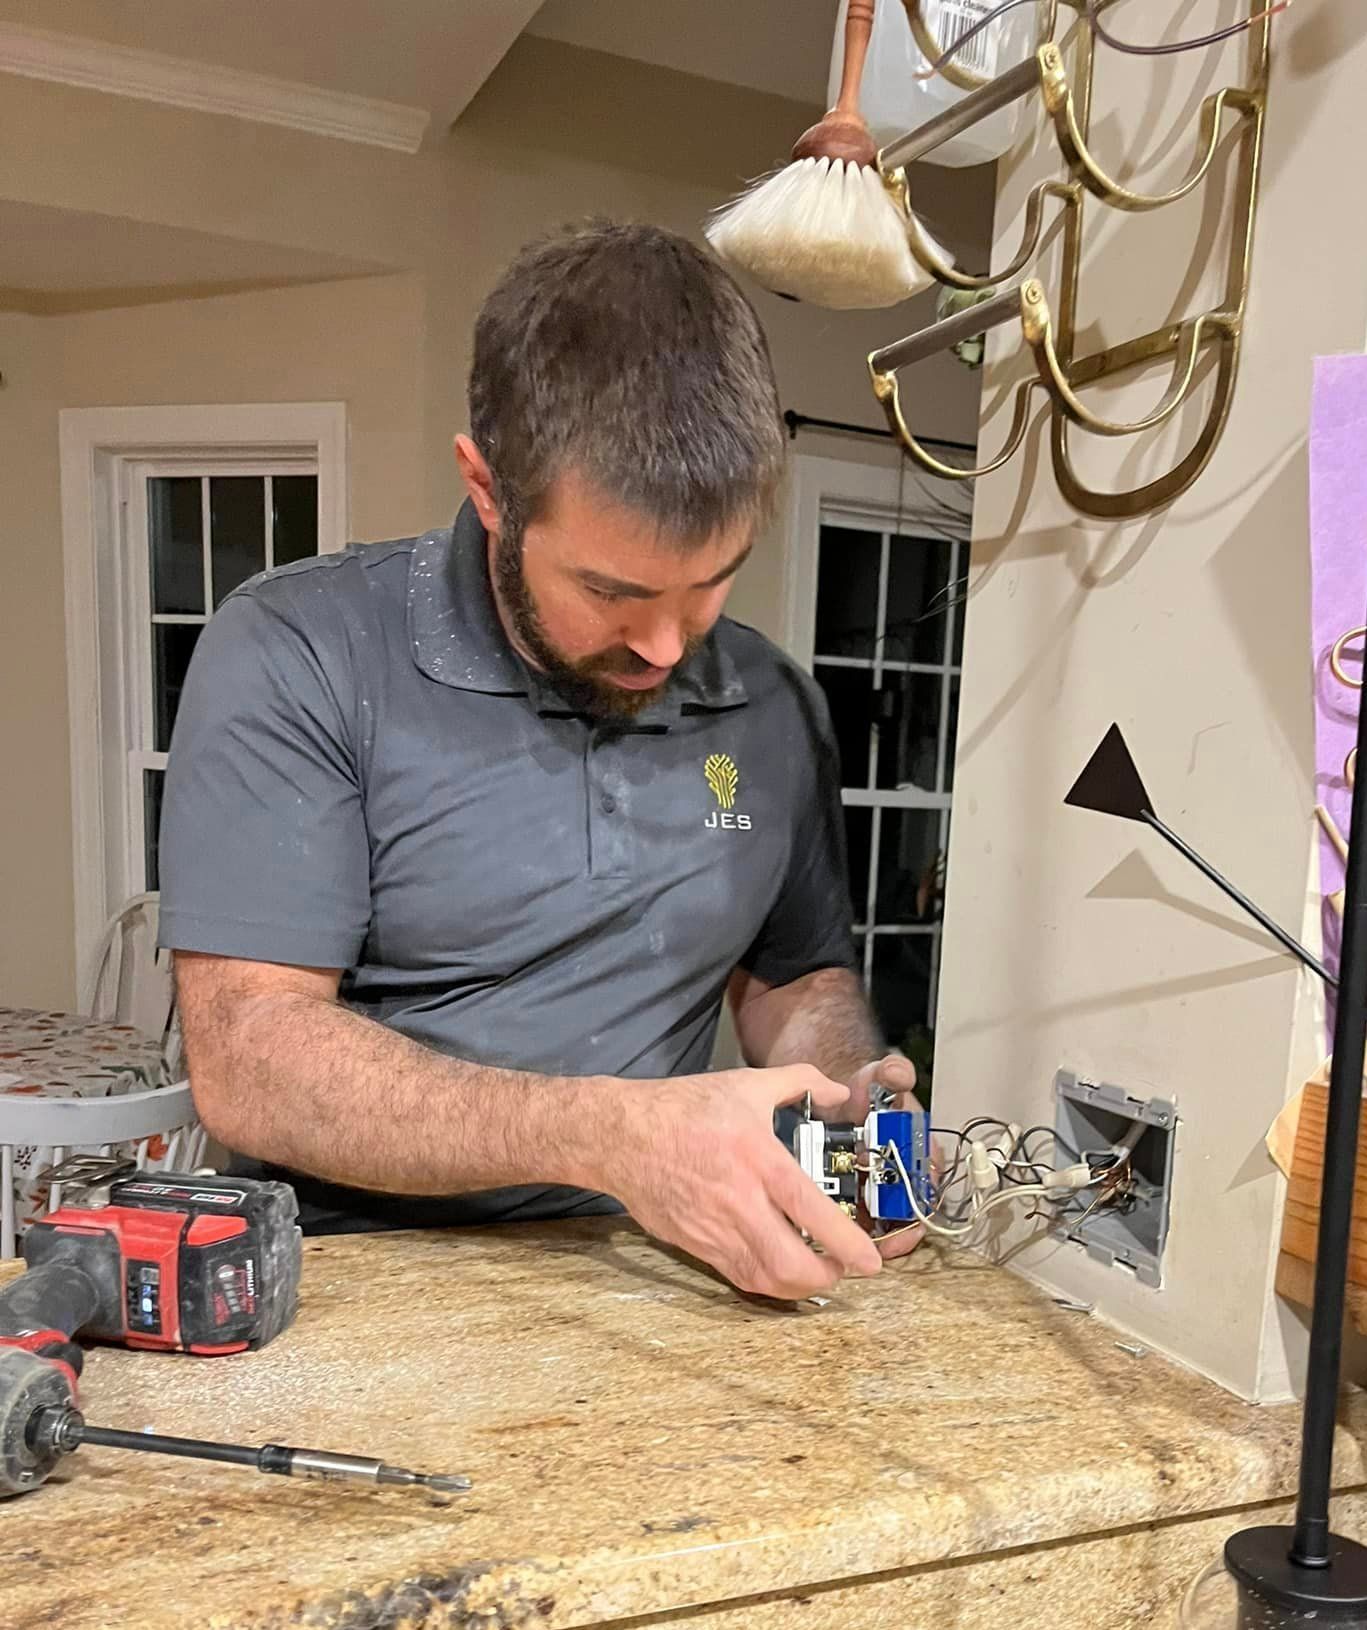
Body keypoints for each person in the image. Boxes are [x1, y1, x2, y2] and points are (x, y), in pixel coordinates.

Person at [159, 220, 920, 1303]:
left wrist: (849, 1085)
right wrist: (610, 1134)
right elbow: (249, 1062)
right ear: (487, 489)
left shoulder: (772, 706)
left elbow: (792, 976)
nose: (667, 645)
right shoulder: (299, 652)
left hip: (664, 1267)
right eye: (612, 592)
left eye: (711, 583)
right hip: (353, 1281)